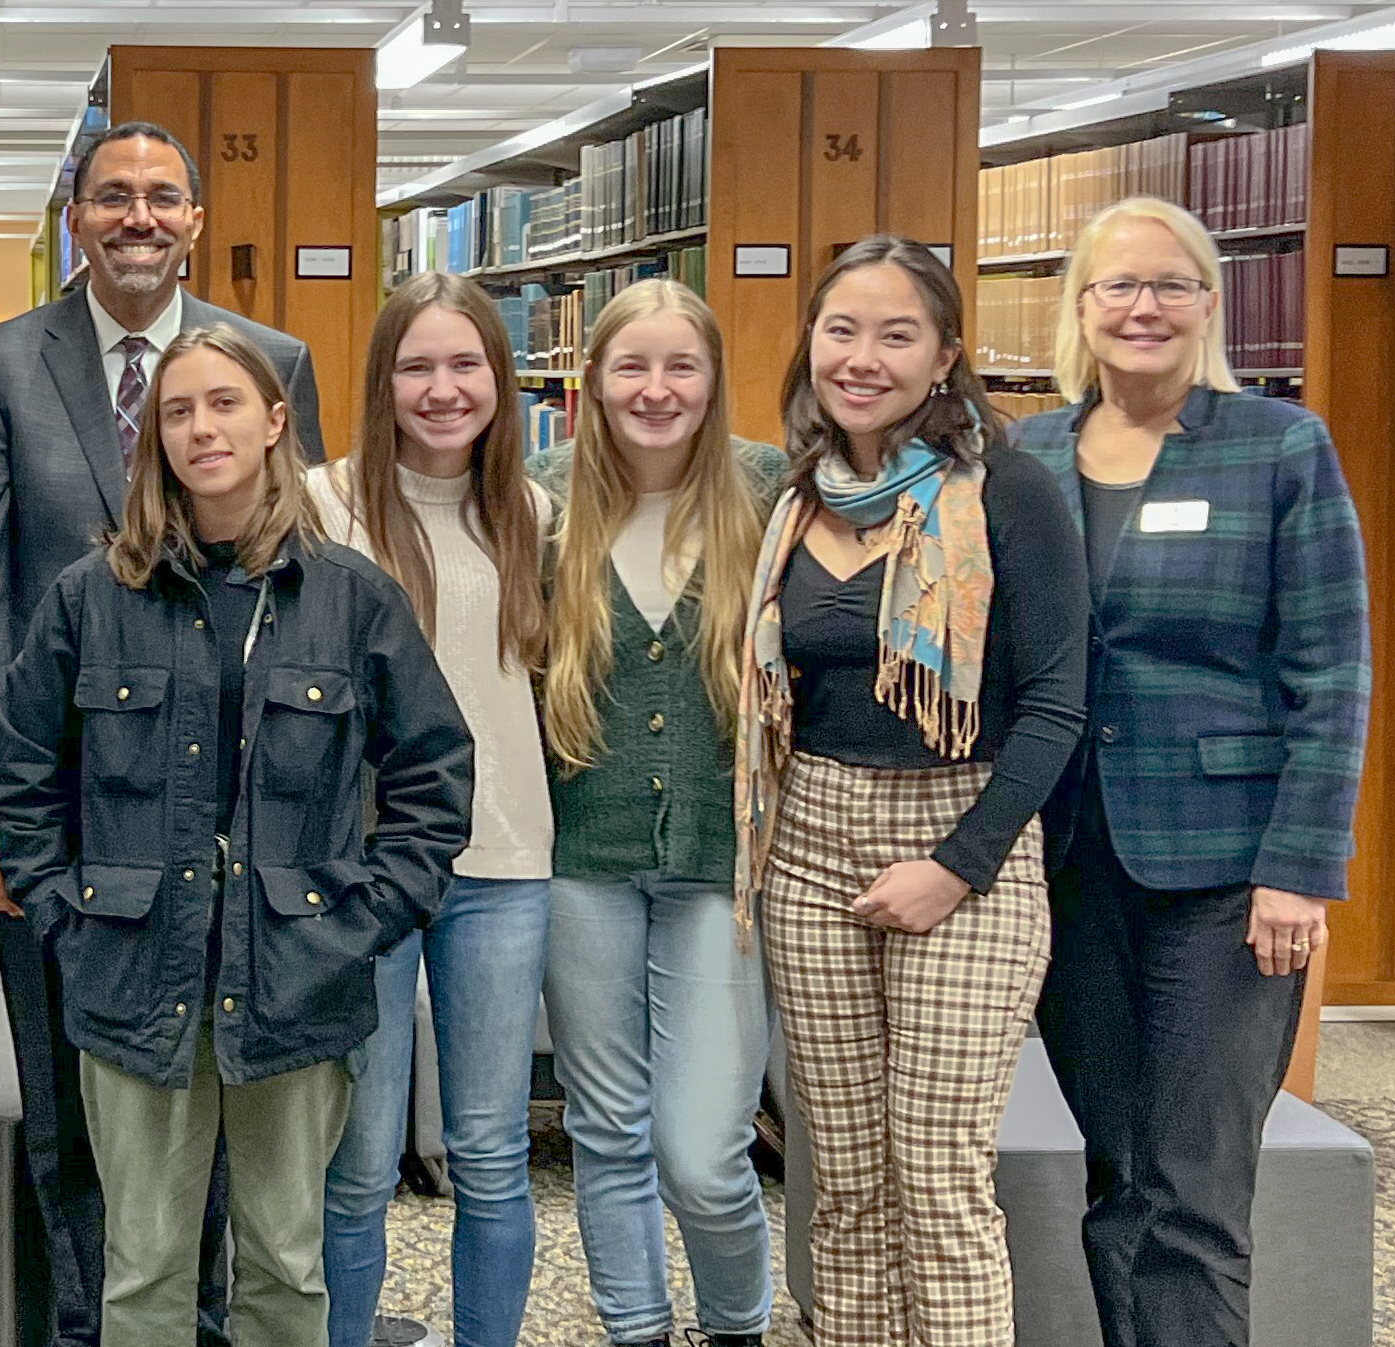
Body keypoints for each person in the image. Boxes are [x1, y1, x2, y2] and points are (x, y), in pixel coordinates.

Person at [0, 118, 323, 1347]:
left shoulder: (272, 357)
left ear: (196, 220)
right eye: (111, 198)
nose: (137, 217)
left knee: (211, 1105)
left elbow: (289, 572)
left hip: (225, 826)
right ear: (77, 219)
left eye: (161, 198)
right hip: (62, 820)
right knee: (71, 1115)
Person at [0, 324, 471, 1347]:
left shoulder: (352, 599)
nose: (201, 427)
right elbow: (25, 777)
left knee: (285, 1269)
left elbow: (432, 775)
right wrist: (64, 920)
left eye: (223, 403)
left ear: (274, 422)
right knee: (143, 1273)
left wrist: (364, 919)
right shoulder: (89, 598)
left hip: (299, 976)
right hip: (130, 976)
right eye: (177, 410)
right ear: (152, 438)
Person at [1023, 198, 1371, 1347]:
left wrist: (1301, 871)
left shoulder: (1280, 448)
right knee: (1115, 1173)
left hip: (1229, 876)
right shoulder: (1024, 455)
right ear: (1080, 306)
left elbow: (1332, 671)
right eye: (1117, 286)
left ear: (1209, 305)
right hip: (1070, 866)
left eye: (1169, 285)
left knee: (1195, 1188)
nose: (1143, 308)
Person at [736, 235, 1088, 1347]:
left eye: (897, 334)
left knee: (935, 1175)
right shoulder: (795, 494)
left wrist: (955, 866)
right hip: (810, 840)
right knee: (838, 1176)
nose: (862, 357)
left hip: (963, 838)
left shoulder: (1007, 489)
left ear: (944, 357)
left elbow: (1056, 706)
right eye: (841, 329)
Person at [531, 279, 780, 1347]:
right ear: (591, 380)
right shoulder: (542, 495)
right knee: (606, 1130)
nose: (656, 388)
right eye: (631, 365)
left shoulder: (765, 487)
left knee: (704, 1150)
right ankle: (634, 1325)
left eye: (681, 365)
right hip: (578, 858)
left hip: (717, 872)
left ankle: (737, 1324)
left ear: (714, 379)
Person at [303, 273, 548, 1347]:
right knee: (355, 1162)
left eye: (466, 364)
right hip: (360, 868)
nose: (443, 389)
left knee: (492, 1152)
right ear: (381, 380)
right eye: (417, 366)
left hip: (504, 864)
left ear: (499, 376)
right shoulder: (322, 506)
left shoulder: (534, 511)